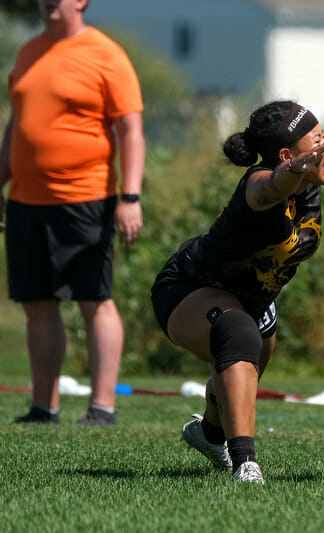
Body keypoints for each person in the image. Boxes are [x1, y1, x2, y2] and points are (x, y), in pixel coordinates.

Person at [150, 101, 324, 483]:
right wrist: (291, 171)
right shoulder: (260, 183)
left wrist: (303, 169)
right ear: (287, 156)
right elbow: (269, 189)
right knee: (239, 336)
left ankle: (210, 434)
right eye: (316, 142)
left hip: (250, 300)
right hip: (189, 286)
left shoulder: (310, 189)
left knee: (249, 354)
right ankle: (245, 464)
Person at [0, 0, 145, 425]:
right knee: (37, 303)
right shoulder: (28, 51)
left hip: (85, 198)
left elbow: (131, 130)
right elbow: (17, 125)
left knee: (93, 299)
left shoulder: (107, 54)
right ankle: (44, 407)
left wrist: (130, 197)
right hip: (27, 200)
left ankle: (102, 408)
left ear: (80, 0)